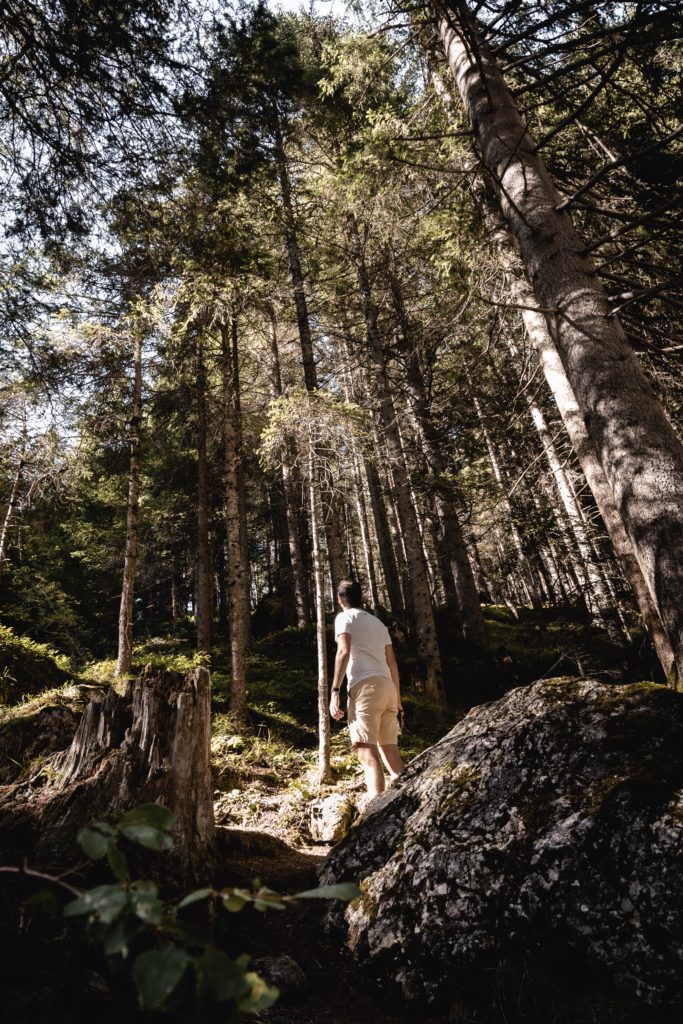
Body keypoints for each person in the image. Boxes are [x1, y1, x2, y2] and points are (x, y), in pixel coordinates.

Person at [329, 578, 404, 797]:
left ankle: (375, 814)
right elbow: (392, 663)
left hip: (365, 688)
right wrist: (398, 701)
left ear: (339, 599)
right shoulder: (379, 624)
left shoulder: (344, 618)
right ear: (360, 598)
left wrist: (335, 691)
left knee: (366, 752)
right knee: (390, 752)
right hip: (388, 688)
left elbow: (343, 652)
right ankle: (411, 801)